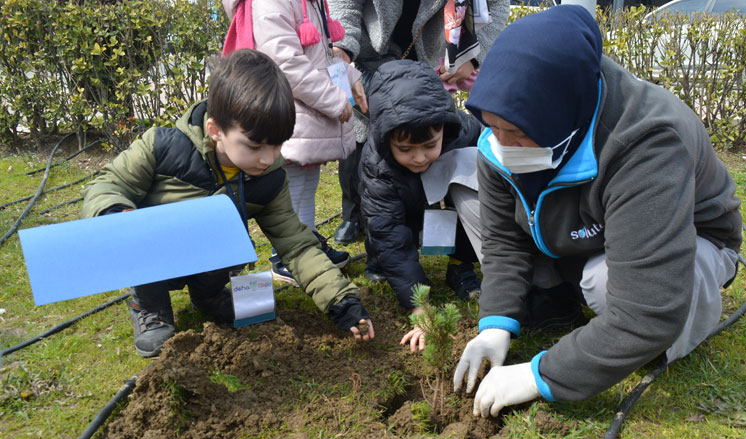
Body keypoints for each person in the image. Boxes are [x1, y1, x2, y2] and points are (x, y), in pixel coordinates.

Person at [452, 5, 742, 417]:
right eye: (491, 125)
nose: (500, 142)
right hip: (584, 231)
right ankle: (561, 297)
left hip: (686, 240)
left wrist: (541, 375)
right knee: (475, 204)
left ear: (563, 117)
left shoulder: (646, 142)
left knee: (604, 282)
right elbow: (503, 240)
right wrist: (496, 322)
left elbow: (647, 311)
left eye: (515, 133)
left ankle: (688, 308)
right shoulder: (508, 120)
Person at [81, 50, 375, 357]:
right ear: (215, 131)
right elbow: (107, 184)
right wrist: (114, 214)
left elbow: (296, 245)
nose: (268, 158)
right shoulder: (161, 148)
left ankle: (208, 296)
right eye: (255, 146)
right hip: (154, 253)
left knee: (227, 230)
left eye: (277, 145)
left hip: (211, 259)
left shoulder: (269, 179)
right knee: (142, 237)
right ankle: (149, 304)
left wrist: (341, 300)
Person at [327, 0, 510, 245]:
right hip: (368, 52)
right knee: (362, 143)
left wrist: (472, 56)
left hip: (427, 56)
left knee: (416, 139)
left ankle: (418, 219)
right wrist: (343, 47)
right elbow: (344, 6)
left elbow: (496, 5)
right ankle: (355, 213)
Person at [221, 0, 369, 285]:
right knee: (292, 185)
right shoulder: (271, 3)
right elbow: (286, 64)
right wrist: (333, 99)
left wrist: (349, 76)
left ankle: (306, 242)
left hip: (304, 111)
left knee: (305, 181)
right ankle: (289, 255)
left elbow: (320, 54)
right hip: (288, 109)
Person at [357, 59, 483, 350]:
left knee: (468, 196)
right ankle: (376, 260)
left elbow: (485, 133)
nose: (419, 158)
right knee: (387, 239)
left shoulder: (459, 133)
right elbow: (388, 231)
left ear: (443, 129)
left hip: (440, 197)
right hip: (398, 201)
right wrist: (419, 306)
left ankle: (460, 265)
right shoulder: (378, 169)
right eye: (405, 149)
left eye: (429, 145)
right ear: (386, 138)